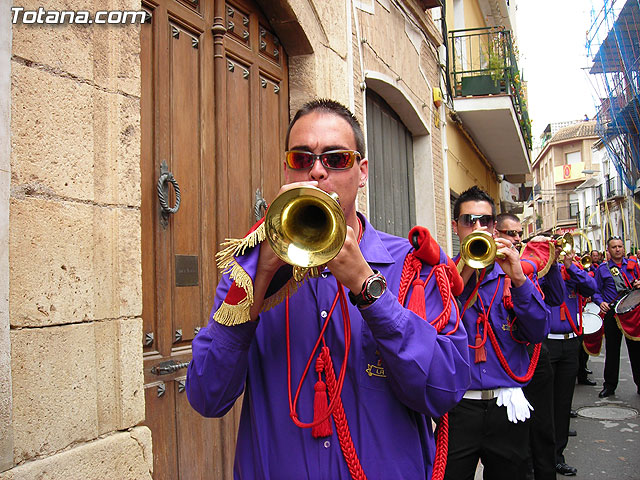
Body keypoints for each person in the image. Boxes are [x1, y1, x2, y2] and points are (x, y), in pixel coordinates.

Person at [185, 99, 471, 479]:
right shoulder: (249, 269)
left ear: (362, 170)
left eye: (336, 159)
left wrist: (367, 289)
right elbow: (208, 396)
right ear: (288, 169)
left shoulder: (414, 265)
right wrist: (261, 277)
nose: (317, 170)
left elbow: (444, 388)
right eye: (301, 159)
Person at [445, 188, 550, 480]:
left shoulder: (513, 273)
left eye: (486, 221)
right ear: (456, 227)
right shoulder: (442, 274)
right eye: (469, 220)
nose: (478, 228)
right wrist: (460, 276)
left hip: (507, 405)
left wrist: (517, 276)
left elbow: (538, 330)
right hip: (457, 406)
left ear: (494, 227)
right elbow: (431, 327)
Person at [495, 215, 564, 480]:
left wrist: (552, 262)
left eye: (519, 233)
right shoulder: (491, 264)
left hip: (535, 353)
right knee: (513, 437)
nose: (516, 238)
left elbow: (556, 298)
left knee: (543, 427)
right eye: (509, 233)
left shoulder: (530, 264)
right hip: (506, 359)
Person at [544, 249, 597, 476]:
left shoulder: (573, 275)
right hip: (547, 343)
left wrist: (570, 266)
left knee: (563, 402)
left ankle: (557, 456)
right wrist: (551, 264)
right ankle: (543, 456)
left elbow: (592, 288)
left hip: (571, 342)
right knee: (546, 404)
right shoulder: (545, 272)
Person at [593, 235, 640, 397]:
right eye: (614, 247)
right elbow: (595, 291)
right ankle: (610, 385)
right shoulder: (602, 269)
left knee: (636, 350)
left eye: (620, 246)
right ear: (608, 250)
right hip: (612, 312)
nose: (618, 249)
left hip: (632, 312)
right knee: (612, 351)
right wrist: (600, 302)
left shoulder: (634, 266)